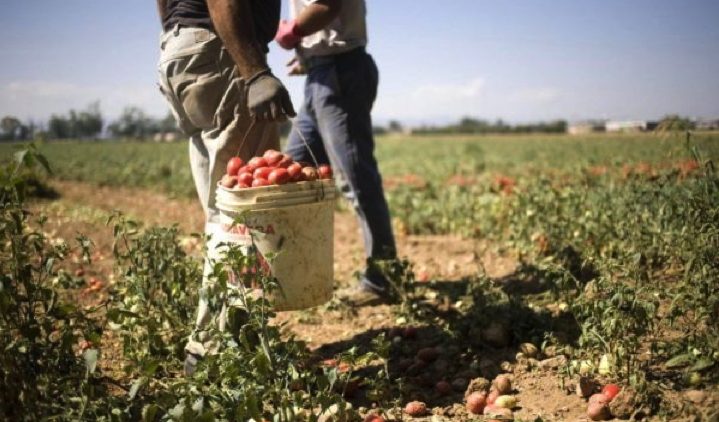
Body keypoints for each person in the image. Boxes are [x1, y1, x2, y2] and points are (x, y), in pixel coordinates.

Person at [156, 0, 296, 375]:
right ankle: (211, 353)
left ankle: (237, 337)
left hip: (181, 51)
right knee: (242, 216)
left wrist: (184, 37)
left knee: (223, 213)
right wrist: (254, 72)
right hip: (220, 51)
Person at [274, 0, 397, 305]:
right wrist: (310, 56)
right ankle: (297, 274)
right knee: (294, 171)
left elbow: (327, 5)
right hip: (322, 73)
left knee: (356, 180)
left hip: (340, 72)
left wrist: (292, 31)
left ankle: (383, 280)